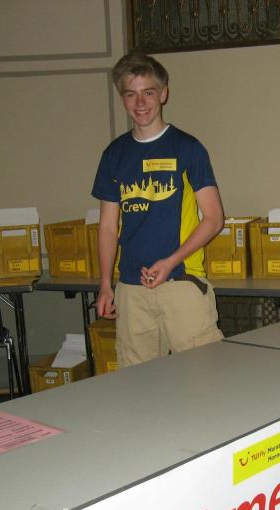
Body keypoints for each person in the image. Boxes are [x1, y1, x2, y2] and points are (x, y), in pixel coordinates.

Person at [92, 52, 224, 368]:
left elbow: (214, 219)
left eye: (148, 92)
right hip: (131, 289)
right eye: (131, 94)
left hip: (181, 282)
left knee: (203, 379)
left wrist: (170, 262)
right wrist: (106, 284)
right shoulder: (114, 155)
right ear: (122, 98)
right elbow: (108, 227)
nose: (140, 103)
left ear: (163, 94)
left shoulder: (187, 148)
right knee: (137, 385)